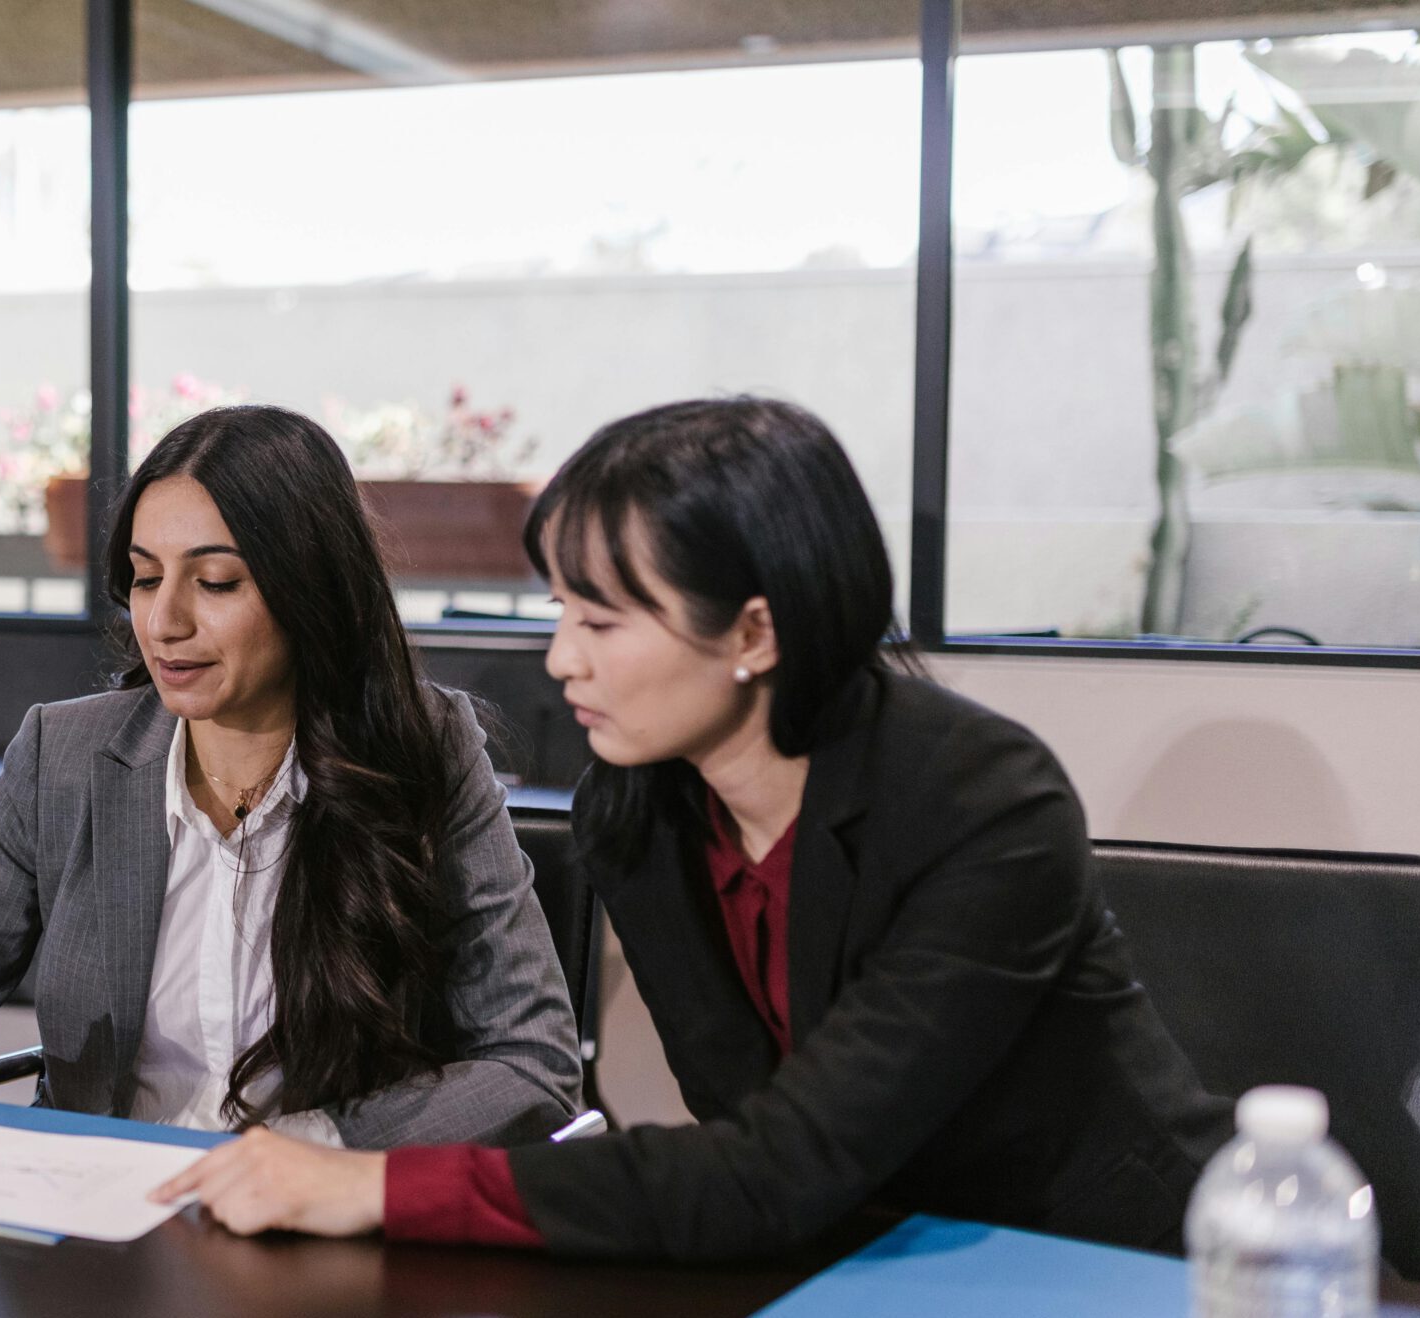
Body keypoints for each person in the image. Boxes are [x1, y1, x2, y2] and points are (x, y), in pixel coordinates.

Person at [153, 396, 1232, 1257]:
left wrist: (374, 1180)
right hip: (849, 1253)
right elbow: (743, 1139)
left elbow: (773, 1163)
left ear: (753, 630)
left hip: (1096, 1258)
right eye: (560, 614)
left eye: (601, 620)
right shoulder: (637, 806)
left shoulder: (985, 801)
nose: (561, 661)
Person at [0, 405, 583, 1147]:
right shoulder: (58, 757)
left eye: (217, 582)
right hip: (98, 1221)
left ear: (311, 590)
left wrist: (313, 1149)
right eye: (144, 578)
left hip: (318, 1225)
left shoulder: (426, 750)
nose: (164, 621)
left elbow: (533, 1066)